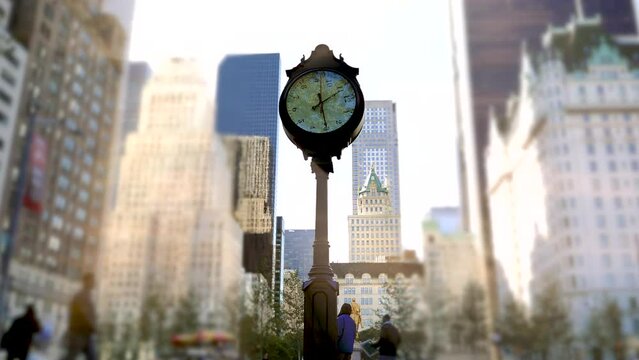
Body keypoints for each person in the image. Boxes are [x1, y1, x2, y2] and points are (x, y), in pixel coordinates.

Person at [61, 273, 97, 360]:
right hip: (79, 333)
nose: (94, 282)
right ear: (86, 281)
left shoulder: (86, 295)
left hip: (85, 333)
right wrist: (93, 327)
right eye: (92, 280)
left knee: (90, 356)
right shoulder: (81, 296)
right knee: (71, 356)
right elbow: (86, 314)